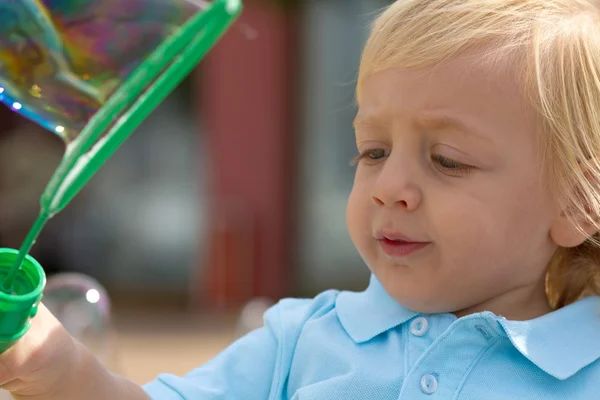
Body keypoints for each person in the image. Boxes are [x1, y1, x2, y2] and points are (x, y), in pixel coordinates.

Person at [3, 0, 600, 398]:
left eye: (447, 160)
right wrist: (60, 367)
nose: (390, 187)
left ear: (576, 204)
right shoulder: (301, 339)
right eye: (373, 152)